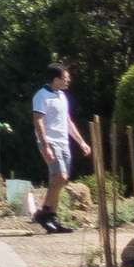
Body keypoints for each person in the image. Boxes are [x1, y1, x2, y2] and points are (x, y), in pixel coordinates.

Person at [28, 61, 92, 234]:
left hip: (64, 142)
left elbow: (67, 121)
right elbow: (38, 121)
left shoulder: (61, 96)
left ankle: (51, 216)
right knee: (59, 176)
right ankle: (44, 214)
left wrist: (81, 142)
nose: (68, 81)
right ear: (55, 79)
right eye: (65, 78)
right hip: (50, 141)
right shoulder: (41, 96)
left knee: (61, 181)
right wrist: (46, 145)